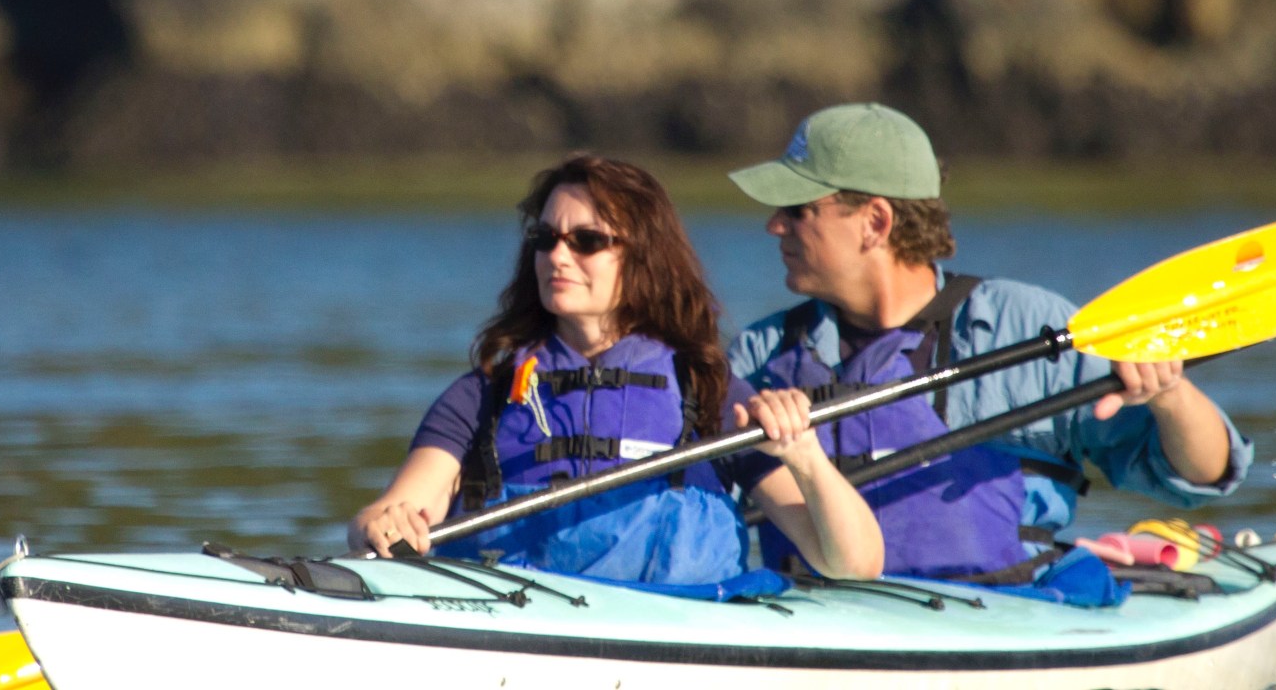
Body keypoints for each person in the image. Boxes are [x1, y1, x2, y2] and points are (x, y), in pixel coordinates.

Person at [725, 103, 1254, 581]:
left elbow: (1199, 474)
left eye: (799, 210)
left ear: (875, 223)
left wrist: (1171, 397)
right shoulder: (761, 355)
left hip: (1013, 616)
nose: (774, 226)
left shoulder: (1030, 327)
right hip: (819, 623)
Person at [348, 153, 884, 583]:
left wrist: (805, 456)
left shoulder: (713, 394)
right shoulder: (482, 395)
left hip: (678, 636)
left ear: (643, 259)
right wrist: (379, 524)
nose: (557, 257)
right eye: (545, 238)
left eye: (586, 241)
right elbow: (391, 514)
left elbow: (854, 564)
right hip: (520, 631)